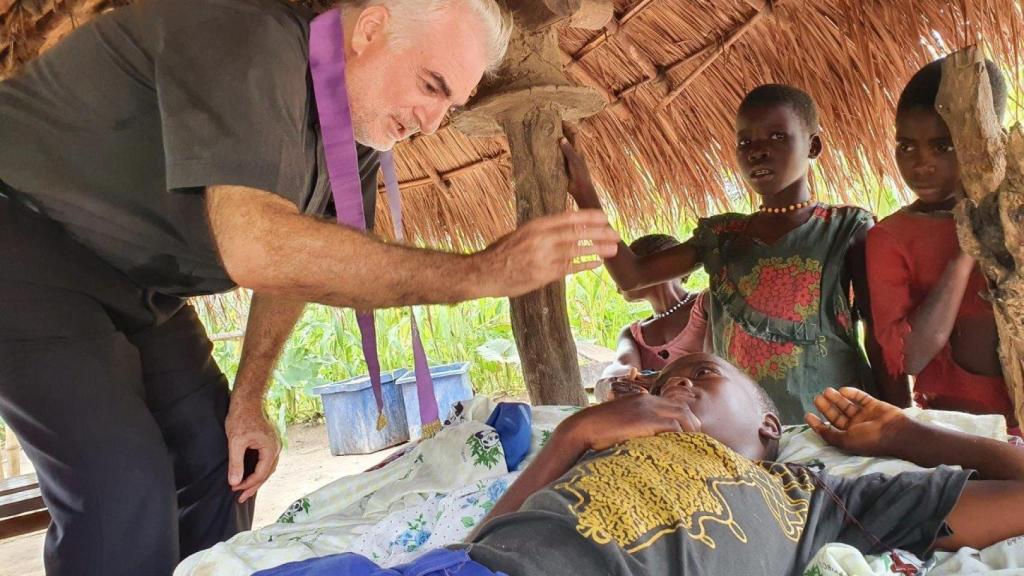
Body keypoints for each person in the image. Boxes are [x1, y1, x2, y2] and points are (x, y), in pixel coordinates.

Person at [0, 0, 620, 573]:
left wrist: (250, 398)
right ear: (371, 29)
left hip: (142, 285)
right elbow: (257, 244)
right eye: (431, 86)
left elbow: (304, 261)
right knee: (118, 486)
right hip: (23, 240)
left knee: (223, 461)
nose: (432, 124)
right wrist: (479, 273)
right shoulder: (249, 35)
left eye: (450, 105)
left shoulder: (357, 135)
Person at [258, 353, 1024, 576]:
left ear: (766, 422)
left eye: (701, 376)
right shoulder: (602, 443)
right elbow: (479, 543)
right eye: (665, 381)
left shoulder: (811, 496)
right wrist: (574, 437)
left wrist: (912, 437)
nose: (676, 386)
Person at [564, 84, 883, 424]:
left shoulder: (845, 229)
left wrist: (898, 415)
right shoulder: (723, 238)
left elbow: (878, 334)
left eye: (777, 136)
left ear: (813, 145)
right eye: (745, 142)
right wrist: (585, 192)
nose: (757, 151)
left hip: (835, 422)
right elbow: (632, 275)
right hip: (746, 428)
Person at [865, 57, 1016, 428]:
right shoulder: (891, 237)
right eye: (906, 146)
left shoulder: (1015, 212)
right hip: (963, 433)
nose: (921, 164)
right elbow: (910, 357)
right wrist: (965, 252)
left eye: (943, 146)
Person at [594, 234, 708, 402]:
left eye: (621, 271)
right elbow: (622, 366)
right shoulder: (632, 333)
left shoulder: (706, 305)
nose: (618, 286)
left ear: (650, 267)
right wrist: (613, 383)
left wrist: (660, 379)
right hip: (662, 418)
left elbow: (718, 365)